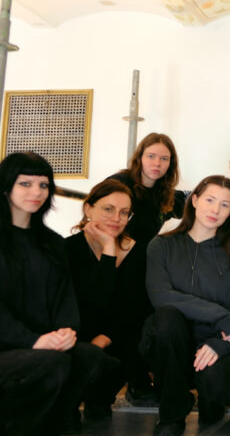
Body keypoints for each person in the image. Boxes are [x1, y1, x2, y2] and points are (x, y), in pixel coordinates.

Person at [0, 152, 110, 435]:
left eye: (43, 185)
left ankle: (47, 426)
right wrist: (34, 341)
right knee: (53, 363)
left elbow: (64, 299)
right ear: (6, 187)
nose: (36, 192)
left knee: (90, 356)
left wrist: (66, 332)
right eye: (25, 184)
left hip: (44, 349)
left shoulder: (52, 243)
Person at [142, 175, 230, 436]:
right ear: (194, 201)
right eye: (210, 200)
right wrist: (220, 315)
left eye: (225, 205)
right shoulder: (162, 246)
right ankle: (172, 415)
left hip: (215, 345)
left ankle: (209, 397)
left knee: (215, 382)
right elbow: (160, 295)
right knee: (166, 318)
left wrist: (220, 345)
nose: (215, 210)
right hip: (171, 345)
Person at [65, 179, 152, 419]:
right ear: (88, 209)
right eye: (108, 209)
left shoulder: (139, 252)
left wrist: (106, 337)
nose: (117, 218)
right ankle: (71, 401)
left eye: (124, 212)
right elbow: (93, 300)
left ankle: (100, 399)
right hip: (79, 333)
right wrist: (108, 250)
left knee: (142, 332)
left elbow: (136, 308)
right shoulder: (67, 249)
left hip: (119, 337)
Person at [109, 132, 184, 250]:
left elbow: (193, 202)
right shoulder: (119, 184)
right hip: (110, 255)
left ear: (170, 163)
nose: (157, 163)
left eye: (164, 159)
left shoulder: (166, 195)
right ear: (140, 157)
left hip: (142, 258)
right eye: (151, 156)